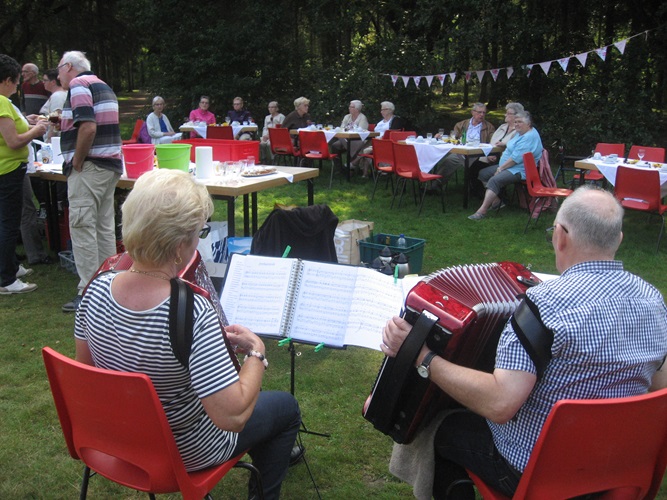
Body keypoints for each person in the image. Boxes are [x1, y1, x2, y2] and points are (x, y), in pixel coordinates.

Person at [383, 185, 667, 499]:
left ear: (560, 236)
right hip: (616, 467)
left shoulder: (541, 307)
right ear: (619, 240)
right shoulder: (653, 300)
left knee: (441, 426)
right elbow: (660, 387)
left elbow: (500, 404)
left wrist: (423, 357)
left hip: (537, 474)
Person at [74, 169, 301, 500]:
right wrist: (256, 352)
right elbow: (232, 416)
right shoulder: (190, 310)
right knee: (286, 408)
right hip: (183, 453)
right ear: (181, 244)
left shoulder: (95, 289)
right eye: (200, 232)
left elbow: (90, 375)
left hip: (120, 441)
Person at [57, 51, 123, 312]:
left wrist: (77, 160)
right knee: (104, 228)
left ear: (69, 67)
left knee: (83, 226)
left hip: (91, 166)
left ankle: (87, 292)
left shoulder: (78, 84)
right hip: (109, 167)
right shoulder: (103, 85)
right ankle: (108, 286)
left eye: (59, 69)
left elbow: (88, 127)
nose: (58, 74)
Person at [0, 54, 47, 294]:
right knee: (8, 225)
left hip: (6, 169)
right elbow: (14, 141)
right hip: (7, 171)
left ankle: (11, 266)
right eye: (17, 81)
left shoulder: (5, 104)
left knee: (7, 221)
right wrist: (38, 130)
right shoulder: (2, 102)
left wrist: (27, 123)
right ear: (7, 80)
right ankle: (7, 280)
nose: (18, 85)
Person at [468, 111, 542, 220]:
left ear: (528, 124)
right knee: (483, 173)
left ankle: (481, 211)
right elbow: (512, 146)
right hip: (508, 166)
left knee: (494, 180)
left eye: (520, 122)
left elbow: (516, 159)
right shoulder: (520, 133)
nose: (516, 124)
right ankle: (497, 201)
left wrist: (501, 168)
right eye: (515, 122)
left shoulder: (529, 137)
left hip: (519, 170)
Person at [468, 102, 524, 199]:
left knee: (479, 170)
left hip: (506, 160)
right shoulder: (502, 127)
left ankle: (493, 195)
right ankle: (480, 192)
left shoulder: (519, 130)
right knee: (473, 168)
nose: (505, 115)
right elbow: (492, 143)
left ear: (516, 116)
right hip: (491, 155)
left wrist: (503, 145)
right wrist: (489, 154)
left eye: (508, 113)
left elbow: (515, 148)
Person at [432, 102, 496, 183]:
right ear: (472, 112)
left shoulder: (489, 127)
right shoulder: (461, 124)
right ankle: (436, 185)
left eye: (484, 112)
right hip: (462, 151)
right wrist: (441, 137)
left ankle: (474, 187)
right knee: (450, 160)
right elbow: (453, 138)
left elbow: (493, 141)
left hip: (478, 153)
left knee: (477, 164)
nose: (482, 115)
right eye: (479, 112)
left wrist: (490, 153)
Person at [356, 101, 406, 177]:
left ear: (390, 110)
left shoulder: (396, 120)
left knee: (366, 149)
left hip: (386, 144)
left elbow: (393, 135)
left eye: (383, 110)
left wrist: (380, 140)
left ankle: (356, 165)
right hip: (376, 142)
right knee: (366, 147)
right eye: (381, 110)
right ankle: (364, 172)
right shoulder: (381, 122)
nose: (381, 111)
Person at [331, 100, 369, 166]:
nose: (349, 108)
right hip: (346, 139)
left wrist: (347, 130)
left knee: (353, 146)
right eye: (349, 106)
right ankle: (338, 168)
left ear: (357, 109)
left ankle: (350, 168)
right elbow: (342, 128)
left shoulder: (362, 118)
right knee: (335, 146)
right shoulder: (347, 117)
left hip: (357, 140)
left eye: (351, 107)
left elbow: (361, 131)